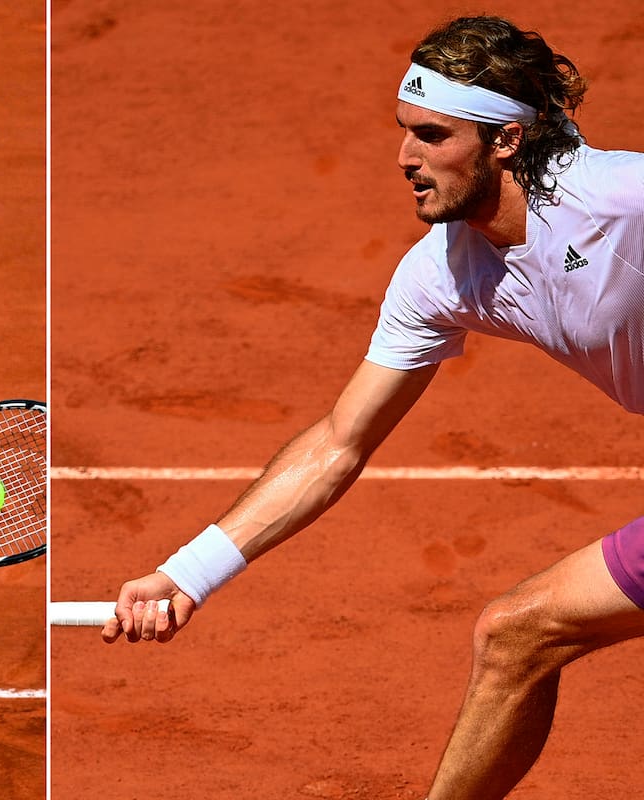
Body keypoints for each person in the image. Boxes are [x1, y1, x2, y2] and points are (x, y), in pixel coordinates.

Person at [102, 15, 644, 800]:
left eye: (432, 135)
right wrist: (188, 574)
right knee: (515, 636)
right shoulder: (440, 277)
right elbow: (338, 441)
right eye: (404, 133)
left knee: (517, 632)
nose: (405, 158)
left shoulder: (620, 198)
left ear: (506, 141)